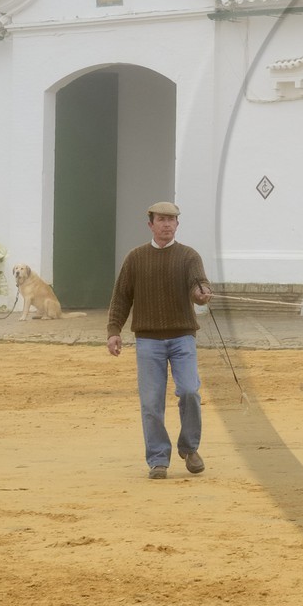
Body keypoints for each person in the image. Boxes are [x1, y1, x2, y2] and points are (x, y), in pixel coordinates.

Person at [106, 201, 212, 479]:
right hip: (148, 341)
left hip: (183, 338)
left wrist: (201, 293)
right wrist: (114, 330)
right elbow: (121, 298)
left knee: (190, 391)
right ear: (150, 224)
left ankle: (189, 449)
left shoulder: (189, 256)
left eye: (172, 220)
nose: (167, 224)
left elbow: (197, 284)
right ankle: (158, 459)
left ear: (178, 225)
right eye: (161, 219)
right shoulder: (135, 258)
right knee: (151, 402)